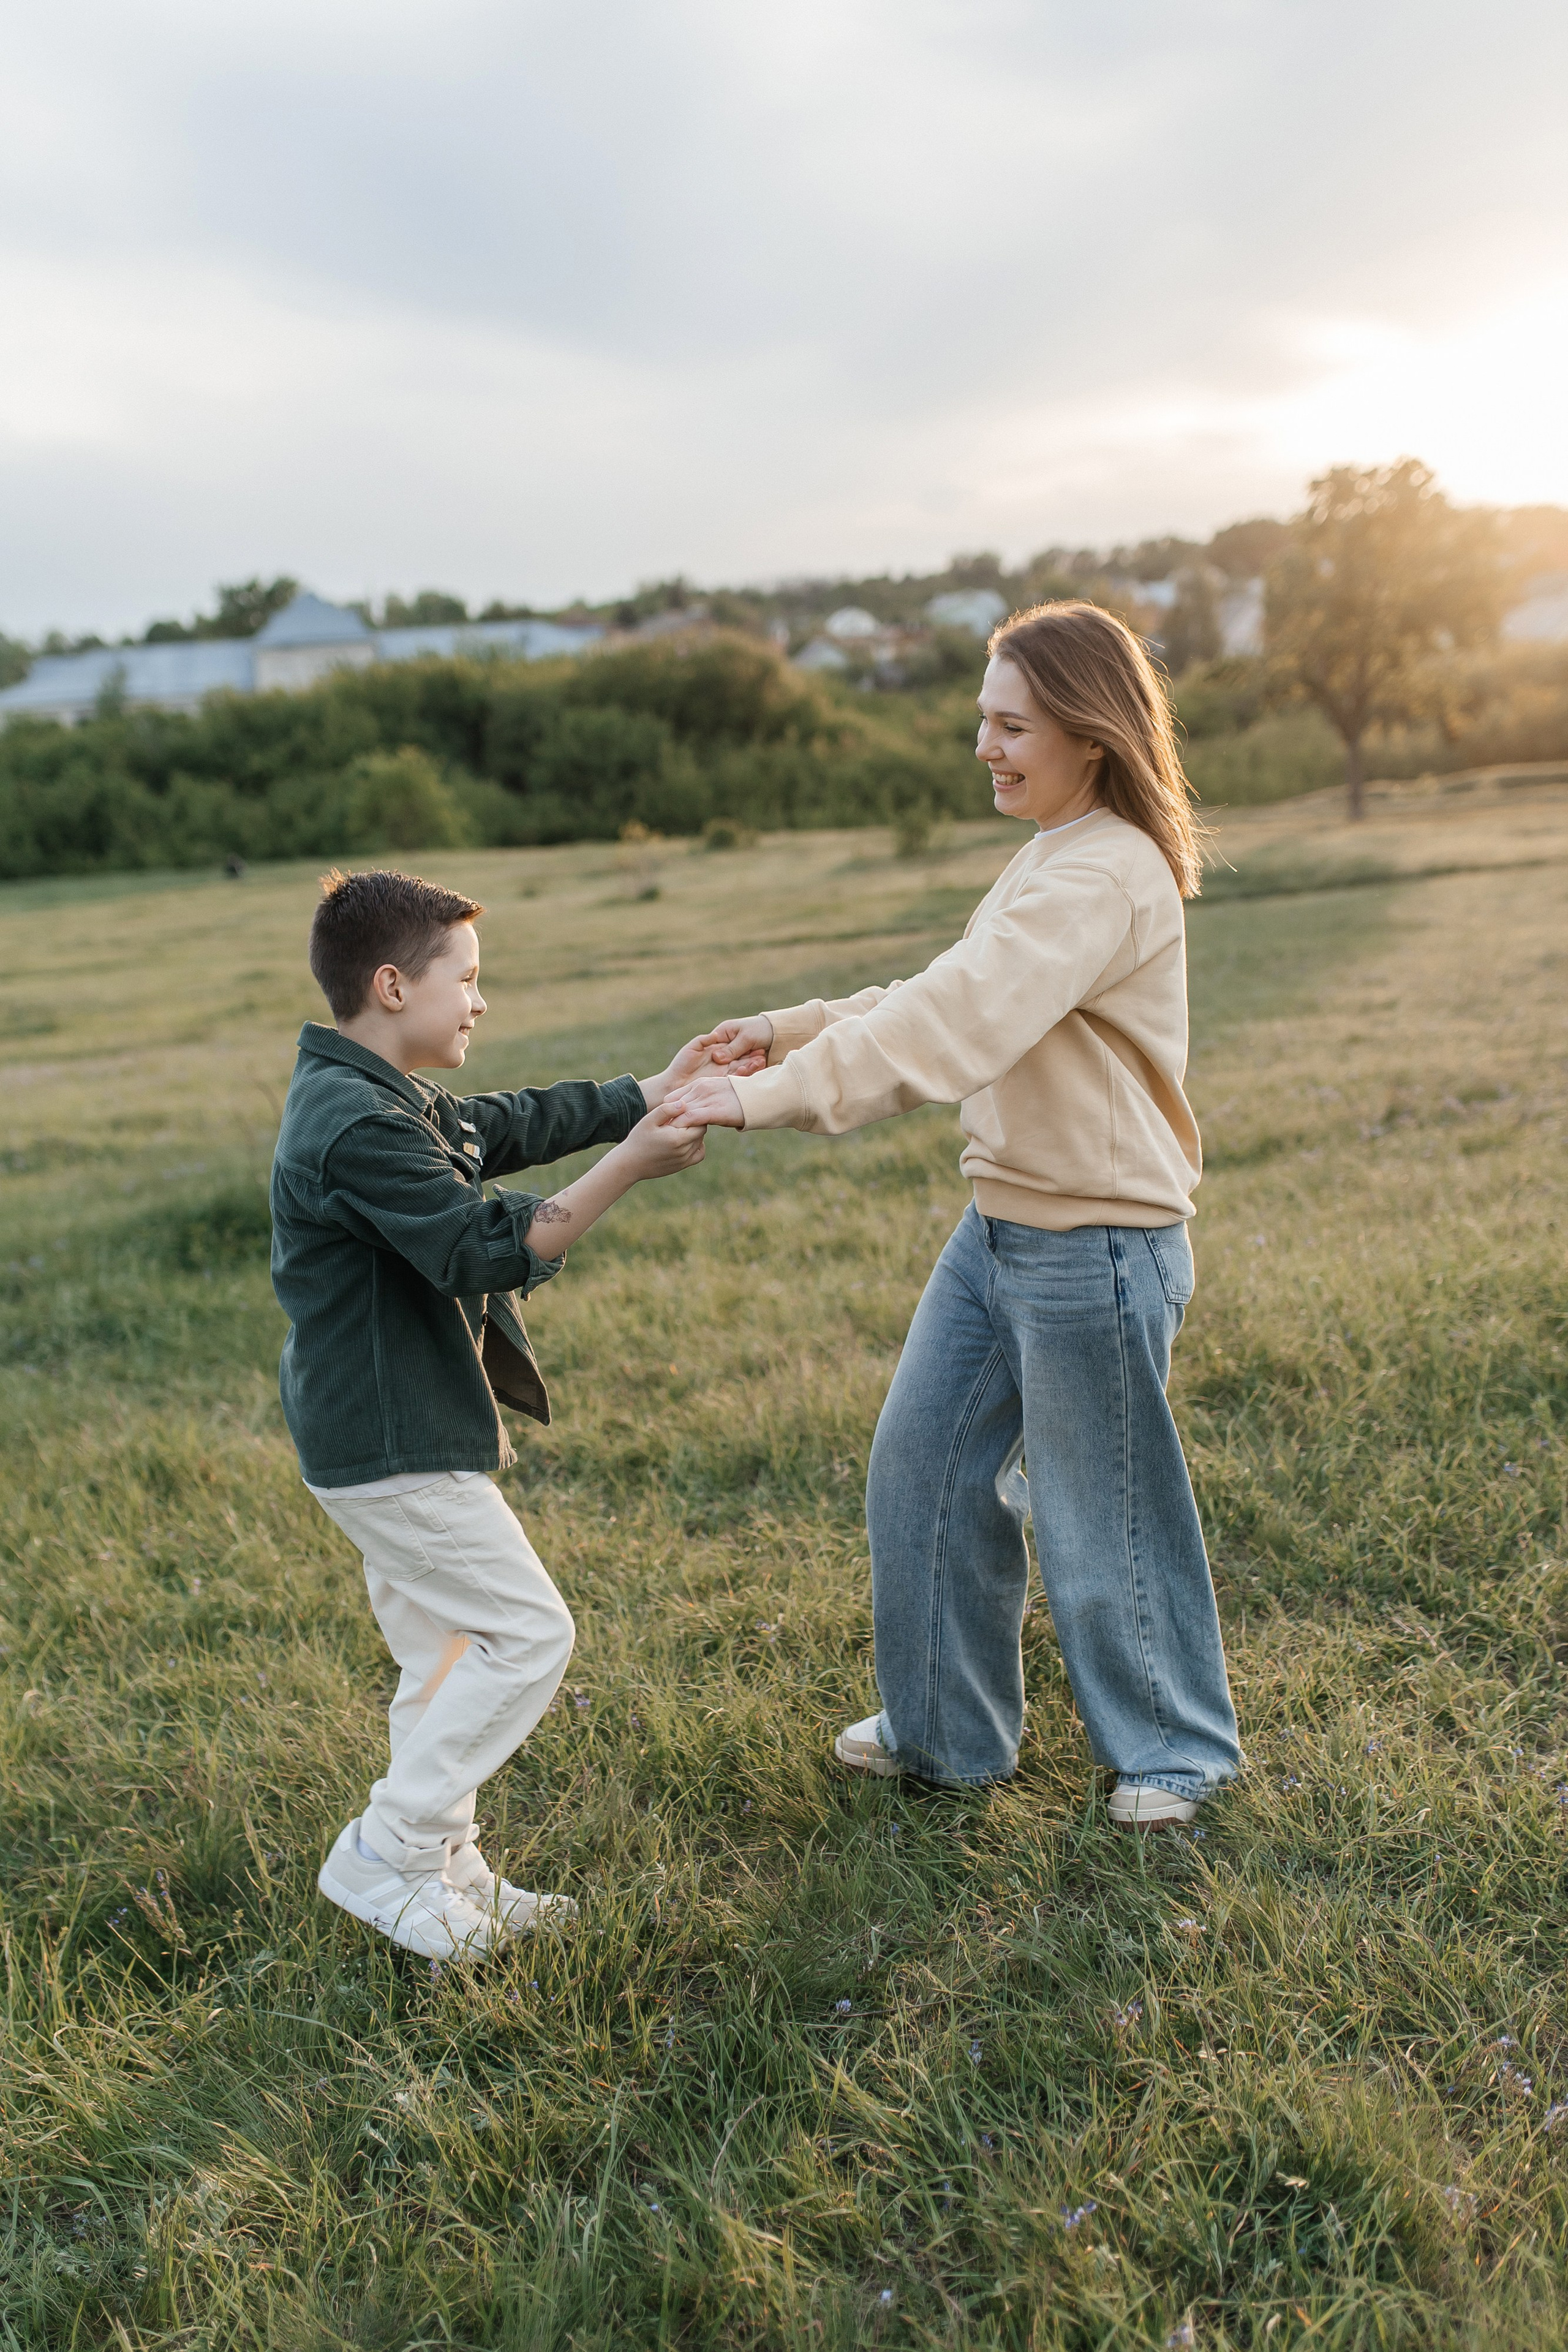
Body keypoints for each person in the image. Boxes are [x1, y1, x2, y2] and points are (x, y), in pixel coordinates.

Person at [670, 602, 1241, 1828]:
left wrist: (762, 1097)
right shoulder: (1053, 851)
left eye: (1007, 723)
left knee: (1105, 1518)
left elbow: (955, 1024)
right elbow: (938, 987)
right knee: (920, 1473)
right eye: (979, 720)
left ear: (1086, 730)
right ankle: (947, 1736)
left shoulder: (1104, 871)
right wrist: (792, 1025)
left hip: (1091, 1247)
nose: (983, 745)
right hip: (1001, 1232)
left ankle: (1174, 1756)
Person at [271, 867, 713, 1959]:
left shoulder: (376, 1092)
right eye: (465, 979)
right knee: (528, 1635)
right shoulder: (354, 1125)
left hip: (380, 1430)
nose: (479, 1001)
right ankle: (390, 1850)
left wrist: (644, 1091)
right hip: (390, 1443)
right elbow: (483, 1246)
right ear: (389, 986)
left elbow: (496, 1127)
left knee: (445, 1655)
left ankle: (441, 1860)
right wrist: (628, 1165)